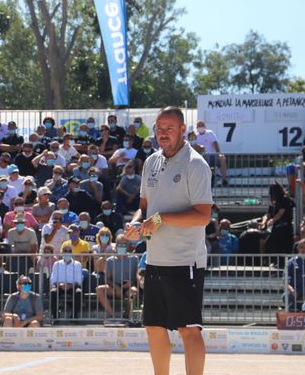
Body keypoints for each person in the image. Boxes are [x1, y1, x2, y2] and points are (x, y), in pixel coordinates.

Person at [125, 106, 213, 375]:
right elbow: (144, 204)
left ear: (183, 130)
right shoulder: (151, 162)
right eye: (159, 128)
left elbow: (203, 216)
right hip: (155, 259)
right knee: (153, 327)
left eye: (169, 128)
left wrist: (161, 218)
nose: (163, 134)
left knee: (189, 329)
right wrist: (137, 222)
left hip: (185, 260)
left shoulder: (196, 164)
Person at [96, 235, 139, 318]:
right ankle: (112, 315)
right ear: (116, 245)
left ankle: (127, 314)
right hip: (114, 286)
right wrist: (116, 287)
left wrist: (131, 282)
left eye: (124, 244)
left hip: (128, 286)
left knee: (134, 291)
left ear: (127, 246)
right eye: (119, 244)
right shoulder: (110, 260)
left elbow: (137, 276)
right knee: (99, 289)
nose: (121, 246)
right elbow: (107, 279)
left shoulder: (134, 258)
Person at [262, 182, 295, 260]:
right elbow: (268, 214)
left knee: (282, 245)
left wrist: (272, 220)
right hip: (276, 226)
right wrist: (264, 222)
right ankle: (272, 260)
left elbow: (280, 213)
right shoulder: (274, 202)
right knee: (269, 243)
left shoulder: (284, 199)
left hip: (284, 226)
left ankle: (282, 261)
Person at [49, 244, 83, 321]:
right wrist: (60, 285)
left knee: (78, 292)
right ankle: (55, 317)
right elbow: (53, 280)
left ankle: (74, 316)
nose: (67, 252)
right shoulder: (56, 264)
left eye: (69, 251)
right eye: (65, 251)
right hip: (59, 286)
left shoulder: (77, 264)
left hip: (73, 286)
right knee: (53, 292)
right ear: (61, 252)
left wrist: (70, 285)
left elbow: (79, 281)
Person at [196, 120, 228, 186]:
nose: (200, 127)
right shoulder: (195, 136)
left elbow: (215, 143)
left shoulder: (209, 133)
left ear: (205, 126)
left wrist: (219, 153)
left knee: (222, 158)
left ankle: (224, 180)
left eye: (202, 125)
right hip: (203, 157)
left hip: (213, 156)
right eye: (199, 126)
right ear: (196, 127)